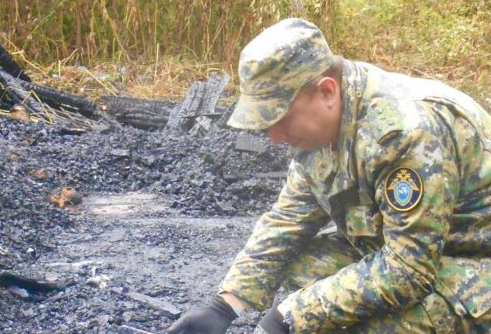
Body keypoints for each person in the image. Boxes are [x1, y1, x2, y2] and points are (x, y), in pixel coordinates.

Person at [168, 18, 491, 333]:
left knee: (341, 323)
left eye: (280, 118)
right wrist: (224, 306)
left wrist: (290, 317)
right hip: (425, 252)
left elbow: (408, 271)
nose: (276, 137)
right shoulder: (327, 124)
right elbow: (287, 220)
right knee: (302, 267)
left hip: (475, 266)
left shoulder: (403, 132)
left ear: (326, 91)